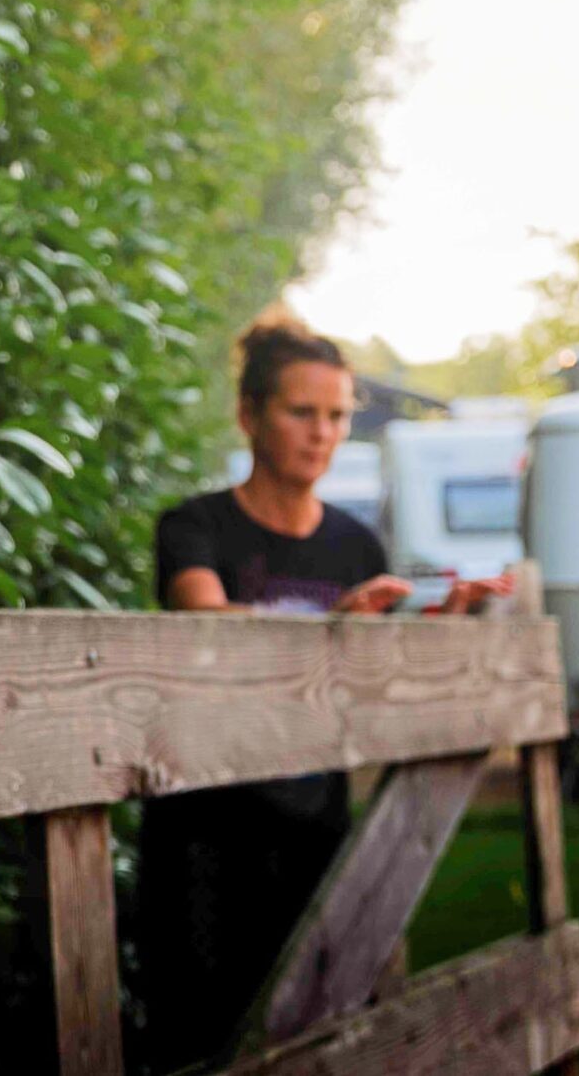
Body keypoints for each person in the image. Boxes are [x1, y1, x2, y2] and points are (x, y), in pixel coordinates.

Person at [137, 319, 509, 1070]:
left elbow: (375, 672)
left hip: (316, 833)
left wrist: (439, 621)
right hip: (204, 843)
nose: (322, 433)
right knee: (199, 1046)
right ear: (249, 414)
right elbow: (203, 619)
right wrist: (327, 624)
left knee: (329, 1040)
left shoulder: (357, 546)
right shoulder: (194, 525)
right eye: (300, 412)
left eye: (337, 415)